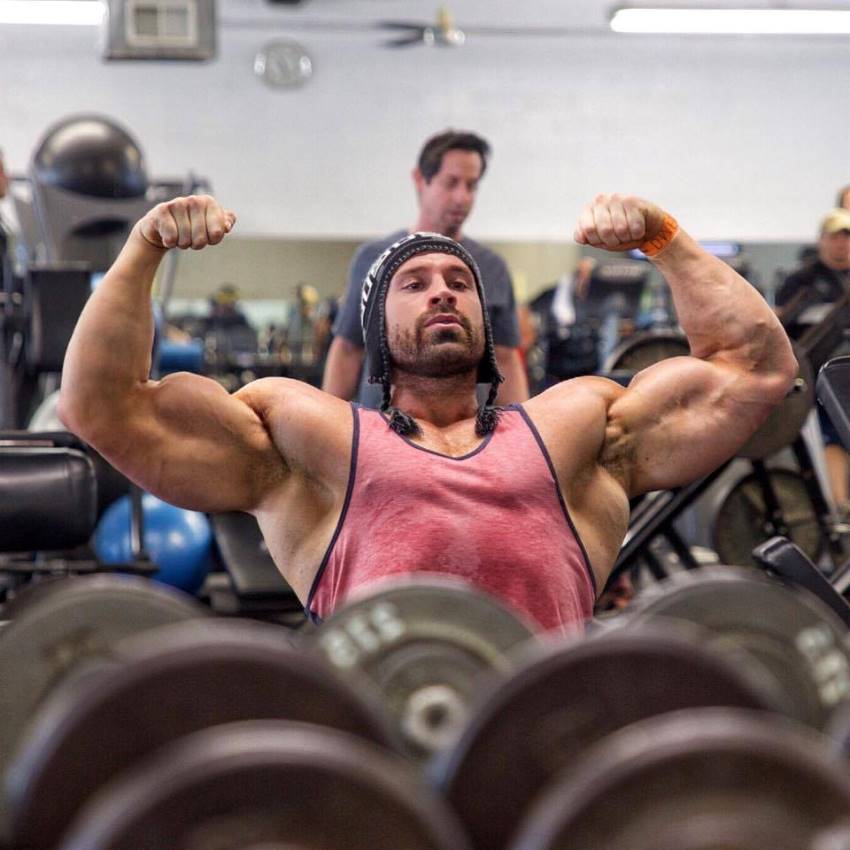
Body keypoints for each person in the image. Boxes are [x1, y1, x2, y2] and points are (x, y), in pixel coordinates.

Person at [58, 193, 796, 633]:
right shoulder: (308, 439)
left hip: (547, 749)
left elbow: (753, 368)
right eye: (414, 283)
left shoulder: (577, 429)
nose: (442, 291)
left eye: (458, 281)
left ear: (485, 314)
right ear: (378, 326)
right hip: (383, 762)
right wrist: (142, 249)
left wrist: (663, 241)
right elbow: (102, 405)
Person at [321, 130, 528, 407]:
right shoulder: (374, 257)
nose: (462, 197)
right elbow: (348, 349)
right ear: (421, 180)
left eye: (472, 185)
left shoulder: (492, 267)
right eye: (451, 183)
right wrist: (325, 424)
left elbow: (505, 358)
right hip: (384, 429)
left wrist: (523, 430)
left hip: (468, 435)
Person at [775, 207, 850, 514]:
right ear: (821, 240)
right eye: (834, 237)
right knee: (834, 431)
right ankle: (841, 505)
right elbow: (780, 327)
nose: (841, 244)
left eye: (846, 237)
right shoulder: (801, 280)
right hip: (820, 375)